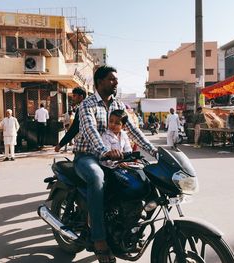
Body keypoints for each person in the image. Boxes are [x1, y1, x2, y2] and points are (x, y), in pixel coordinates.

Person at [73, 65, 157, 263]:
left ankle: (129, 225)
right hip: (87, 156)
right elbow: (90, 131)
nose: (116, 83)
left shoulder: (118, 105)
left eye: (116, 80)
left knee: (142, 176)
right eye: (112, 79)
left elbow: (134, 131)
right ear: (100, 82)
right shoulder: (87, 105)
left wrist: (155, 151)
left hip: (115, 158)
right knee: (97, 177)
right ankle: (99, 239)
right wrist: (104, 152)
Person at [55, 86, 87, 152]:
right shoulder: (85, 107)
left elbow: (74, 129)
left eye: (74, 96)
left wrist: (60, 144)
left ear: (81, 97)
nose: (73, 98)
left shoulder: (82, 108)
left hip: (84, 149)